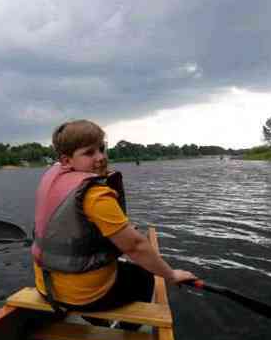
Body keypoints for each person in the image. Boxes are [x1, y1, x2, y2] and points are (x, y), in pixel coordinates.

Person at [31, 119, 196, 325]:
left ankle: (97, 323)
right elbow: (135, 247)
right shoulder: (95, 194)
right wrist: (171, 274)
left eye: (101, 149)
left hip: (46, 287)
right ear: (66, 161)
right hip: (83, 296)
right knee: (144, 276)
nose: (100, 158)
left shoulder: (53, 180)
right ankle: (129, 330)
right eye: (89, 153)